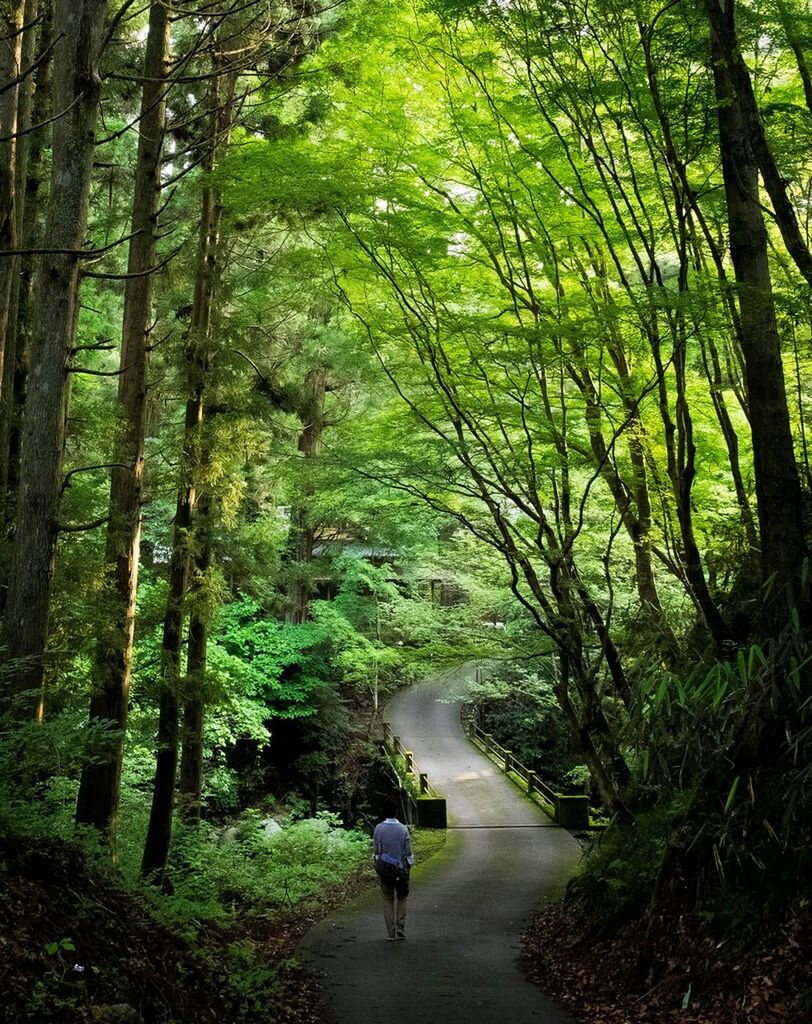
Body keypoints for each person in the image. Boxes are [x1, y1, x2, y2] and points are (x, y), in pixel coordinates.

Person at [372, 798, 414, 940]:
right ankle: (400, 929)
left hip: (385, 869)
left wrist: (377, 865)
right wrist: (408, 866)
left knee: (387, 899)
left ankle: (390, 932)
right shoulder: (403, 829)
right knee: (402, 897)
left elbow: (376, 851)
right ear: (397, 811)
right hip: (401, 869)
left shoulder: (378, 829)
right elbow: (408, 852)